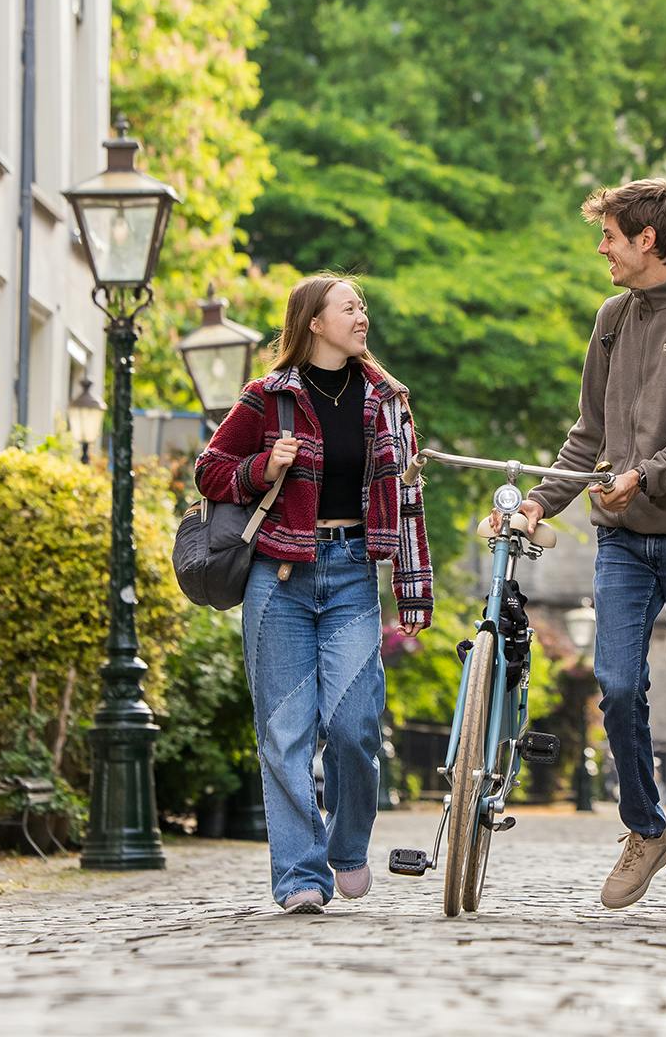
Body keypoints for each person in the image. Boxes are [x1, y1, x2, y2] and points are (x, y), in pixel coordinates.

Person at [509, 178, 666, 924]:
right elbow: (588, 436)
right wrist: (541, 501)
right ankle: (645, 827)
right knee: (615, 686)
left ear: (648, 239)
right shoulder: (611, 320)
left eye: (611, 234)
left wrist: (648, 474)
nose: (602, 247)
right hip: (623, 544)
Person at [194, 273, 432, 914]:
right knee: (285, 734)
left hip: (354, 570)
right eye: (349, 308)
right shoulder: (267, 399)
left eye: (363, 308)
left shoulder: (387, 399)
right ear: (314, 323)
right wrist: (261, 468)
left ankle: (347, 846)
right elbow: (209, 469)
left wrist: (413, 584)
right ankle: (300, 875)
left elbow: (407, 498)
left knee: (355, 728)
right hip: (280, 578)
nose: (362, 317)